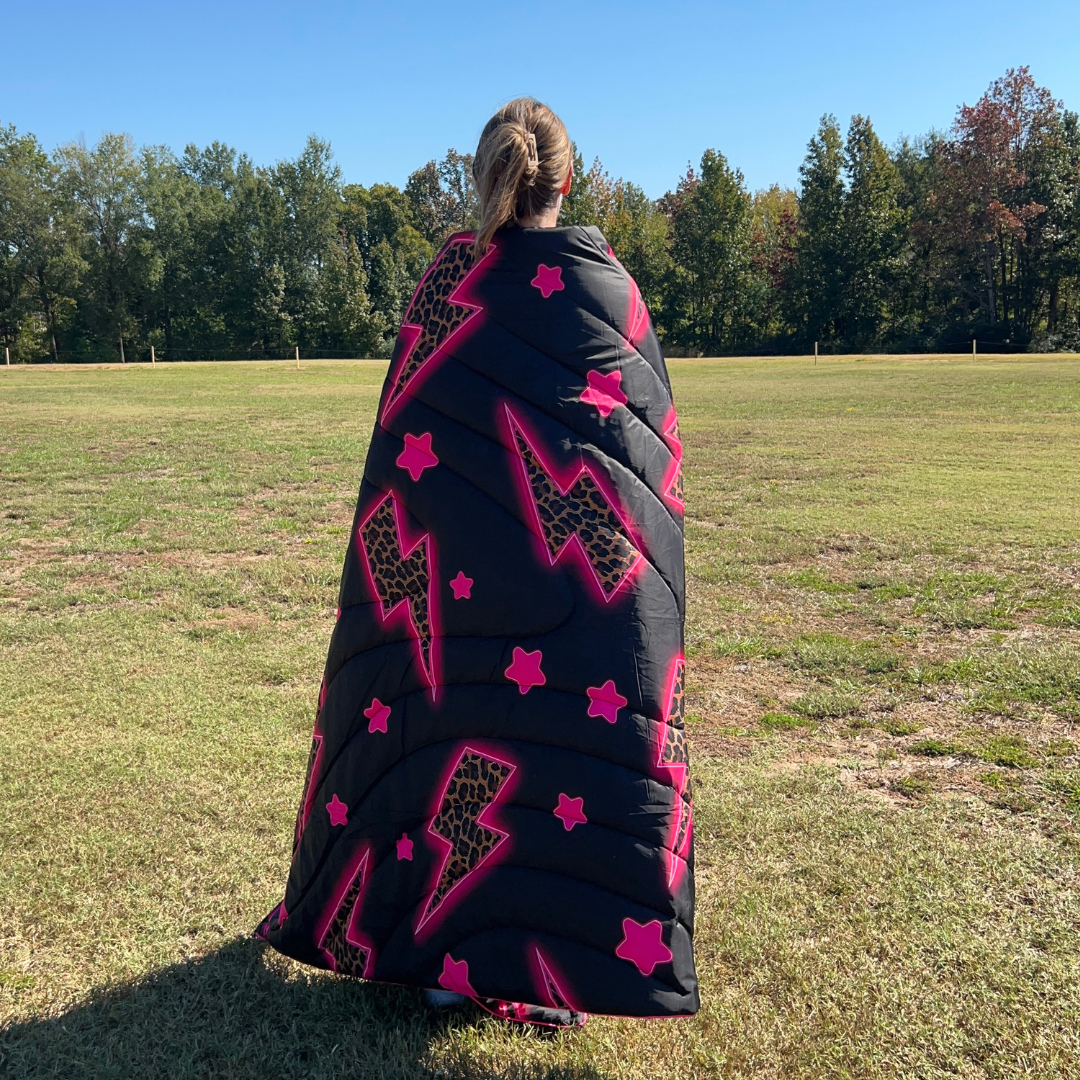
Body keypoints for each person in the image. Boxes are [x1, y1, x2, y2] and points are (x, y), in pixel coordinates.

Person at [257, 98, 697, 1028]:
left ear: (482, 173)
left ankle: (438, 957)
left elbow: (403, 459)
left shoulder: (442, 289)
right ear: (568, 180)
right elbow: (641, 466)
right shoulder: (605, 291)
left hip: (441, 597)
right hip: (572, 589)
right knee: (547, 753)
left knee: (450, 743)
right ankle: (536, 970)